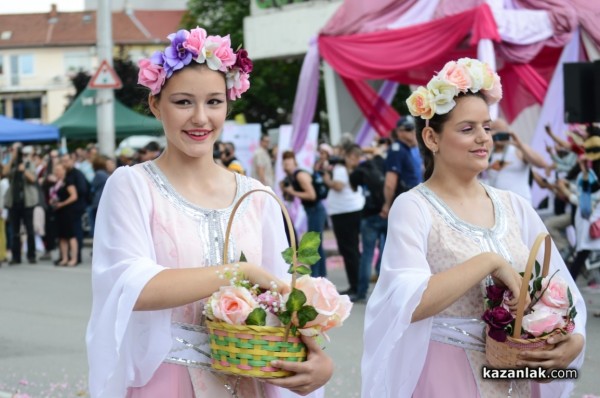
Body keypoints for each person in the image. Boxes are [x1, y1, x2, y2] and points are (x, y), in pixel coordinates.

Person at [86, 26, 332, 398]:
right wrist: (240, 271)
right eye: (183, 102)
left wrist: (318, 361)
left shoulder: (257, 197)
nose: (201, 118)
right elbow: (131, 286)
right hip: (165, 383)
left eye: (214, 102)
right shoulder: (133, 186)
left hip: (249, 382)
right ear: (156, 104)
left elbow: (283, 301)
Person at [362, 58, 586, 397]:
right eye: (467, 129)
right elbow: (407, 301)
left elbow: (560, 288)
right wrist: (489, 261)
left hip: (519, 372)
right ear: (431, 138)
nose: (483, 138)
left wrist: (574, 340)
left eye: (487, 127)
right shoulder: (413, 207)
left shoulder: (514, 206)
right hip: (447, 373)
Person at [323, 144, 365, 296]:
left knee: (348, 250)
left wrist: (327, 180)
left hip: (343, 213)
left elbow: (338, 186)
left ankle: (355, 286)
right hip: (353, 209)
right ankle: (358, 284)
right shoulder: (356, 169)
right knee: (353, 249)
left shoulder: (340, 169)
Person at [280, 150, 328, 277]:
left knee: (314, 244)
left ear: (294, 162)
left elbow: (312, 195)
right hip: (311, 210)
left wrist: (292, 191)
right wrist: (286, 190)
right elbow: (289, 199)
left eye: (289, 162)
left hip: (316, 209)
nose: (286, 165)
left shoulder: (300, 175)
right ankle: (321, 276)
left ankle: (317, 276)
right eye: (284, 163)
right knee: (317, 244)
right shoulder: (290, 178)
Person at [349, 149, 386, 302]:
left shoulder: (361, 170)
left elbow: (353, 187)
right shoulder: (384, 164)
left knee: (367, 254)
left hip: (369, 215)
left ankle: (361, 292)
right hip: (386, 213)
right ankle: (386, 292)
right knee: (387, 252)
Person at [486, 117, 549, 204]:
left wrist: (520, 145)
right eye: (494, 131)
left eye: (501, 132)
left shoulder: (518, 150)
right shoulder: (487, 153)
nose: (498, 136)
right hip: (498, 204)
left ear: (508, 132)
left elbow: (542, 164)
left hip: (520, 204)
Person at [3, 142, 39, 265]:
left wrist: (24, 170)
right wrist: (12, 158)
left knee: (29, 230)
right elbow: (4, 173)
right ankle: (15, 256)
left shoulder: (28, 163)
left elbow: (33, 179)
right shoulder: (11, 163)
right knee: (15, 231)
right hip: (13, 202)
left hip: (27, 202)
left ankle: (31, 255)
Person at [380, 117, 421, 218]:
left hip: (411, 201)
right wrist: (388, 204)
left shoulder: (406, 150)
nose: (413, 131)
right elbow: (390, 183)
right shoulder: (397, 150)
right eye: (408, 128)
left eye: (414, 128)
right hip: (405, 204)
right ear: (399, 132)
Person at [49, 163, 78, 267]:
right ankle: (64, 258)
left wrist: (62, 203)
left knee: (71, 235)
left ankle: (74, 258)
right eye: (56, 170)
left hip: (67, 211)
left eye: (59, 170)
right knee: (62, 236)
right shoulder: (55, 183)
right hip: (59, 212)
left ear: (64, 171)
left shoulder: (68, 181)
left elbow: (74, 196)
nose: (58, 172)